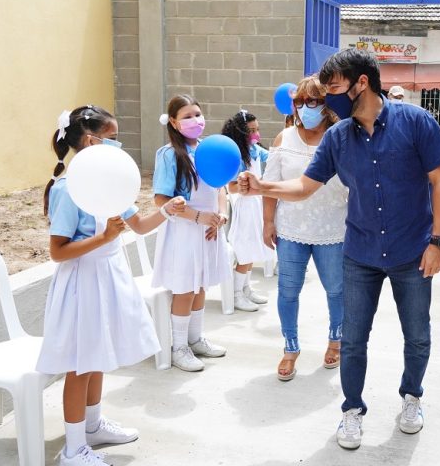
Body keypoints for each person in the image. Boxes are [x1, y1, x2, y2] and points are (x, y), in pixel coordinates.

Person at [237, 48, 440, 450]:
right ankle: (352, 410)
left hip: (412, 250)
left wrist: (438, 242)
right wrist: (261, 187)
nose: (328, 97)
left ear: (361, 83)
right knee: (353, 339)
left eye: (333, 87)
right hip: (361, 253)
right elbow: (304, 186)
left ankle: (411, 397)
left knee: (417, 334)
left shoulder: (416, 122)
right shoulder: (338, 137)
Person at [38, 105, 187, 466]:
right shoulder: (68, 189)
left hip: (108, 275)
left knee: (98, 357)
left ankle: (92, 426)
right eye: (114, 138)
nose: (119, 145)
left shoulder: (110, 182)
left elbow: (137, 226)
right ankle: (73, 450)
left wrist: (167, 211)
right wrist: (104, 237)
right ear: (92, 140)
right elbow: (58, 252)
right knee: (80, 365)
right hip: (81, 283)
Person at [262, 75, 347, 381]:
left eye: (314, 101)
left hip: (332, 229)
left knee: (337, 291)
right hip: (291, 229)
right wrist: (268, 221)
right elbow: (271, 186)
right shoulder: (283, 139)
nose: (306, 107)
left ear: (327, 105)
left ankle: (336, 340)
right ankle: (290, 347)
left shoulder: (340, 137)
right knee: (287, 292)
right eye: (300, 101)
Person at [152, 94, 230, 372]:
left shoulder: (210, 149)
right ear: (173, 122)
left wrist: (220, 215)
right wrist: (198, 217)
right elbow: (161, 200)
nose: (195, 120)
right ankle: (179, 347)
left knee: (201, 286)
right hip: (183, 231)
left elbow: (220, 187)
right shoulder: (169, 155)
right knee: (185, 289)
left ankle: (196, 339)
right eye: (187, 116)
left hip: (208, 230)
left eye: (197, 114)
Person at [223, 110, 273, 311]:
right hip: (245, 208)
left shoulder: (254, 149)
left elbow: (271, 156)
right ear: (240, 133)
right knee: (245, 250)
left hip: (257, 205)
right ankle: (236, 294)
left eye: (257, 129)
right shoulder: (236, 156)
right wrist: (245, 187)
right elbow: (231, 186)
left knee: (254, 249)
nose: (256, 134)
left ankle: (246, 289)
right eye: (251, 130)